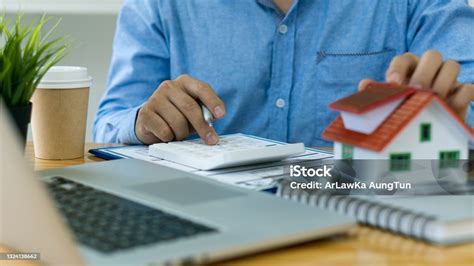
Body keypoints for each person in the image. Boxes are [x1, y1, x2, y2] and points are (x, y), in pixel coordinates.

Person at [93, 0, 474, 147]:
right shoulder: (158, 5)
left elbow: (467, 101)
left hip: (366, 229)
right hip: (209, 228)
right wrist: (143, 121)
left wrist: (451, 125)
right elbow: (110, 122)